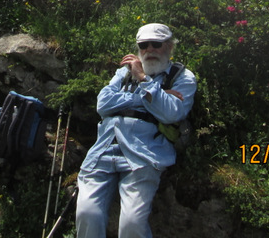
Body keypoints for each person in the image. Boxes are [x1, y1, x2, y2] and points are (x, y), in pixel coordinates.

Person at [75, 23, 196, 238]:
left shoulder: (183, 77)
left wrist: (142, 78)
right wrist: (151, 96)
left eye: (156, 44)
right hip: (103, 150)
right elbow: (103, 104)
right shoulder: (124, 71)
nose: (149, 49)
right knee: (87, 214)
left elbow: (172, 113)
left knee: (132, 224)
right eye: (143, 45)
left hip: (144, 154)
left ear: (169, 46)